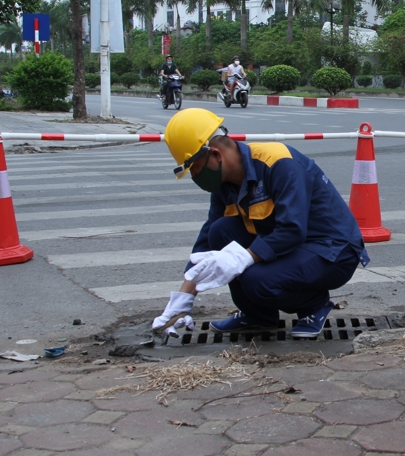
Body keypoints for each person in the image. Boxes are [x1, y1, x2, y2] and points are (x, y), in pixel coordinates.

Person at [153, 108, 370, 340]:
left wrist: (241, 258)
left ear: (215, 154)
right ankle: (257, 315)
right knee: (220, 232)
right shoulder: (224, 183)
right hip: (288, 247)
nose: (195, 177)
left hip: (331, 250)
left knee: (256, 280)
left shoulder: (278, 163)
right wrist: (183, 299)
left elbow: (292, 230)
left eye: (194, 168)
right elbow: (207, 241)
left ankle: (314, 306)